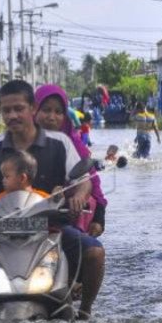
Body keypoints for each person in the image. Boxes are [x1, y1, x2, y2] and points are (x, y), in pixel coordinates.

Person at [0, 79, 105, 319]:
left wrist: (78, 196)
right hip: (1, 227)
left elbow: (83, 180)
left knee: (95, 253)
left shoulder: (60, 143)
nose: (13, 115)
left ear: (32, 109)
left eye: (19, 108)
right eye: (6, 110)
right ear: (0, 112)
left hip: (51, 227)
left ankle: (85, 312)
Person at [34, 84, 107, 238]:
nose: (51, 117)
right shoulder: (17, 140)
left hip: (61, 218)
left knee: (94, 253)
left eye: (58, 112)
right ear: (34, 110)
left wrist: (98, 217)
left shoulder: (71, 144)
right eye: (46, 110)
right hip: (19, 216)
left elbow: (90, 180)